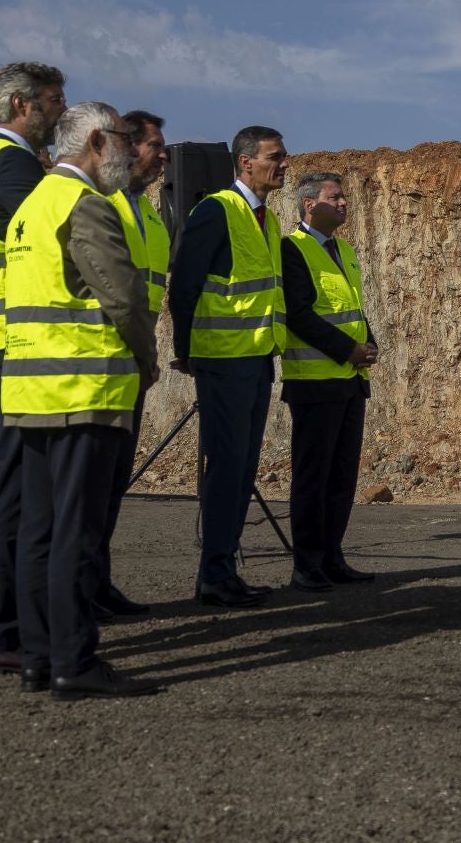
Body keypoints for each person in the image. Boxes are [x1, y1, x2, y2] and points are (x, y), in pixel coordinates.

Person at [2, 103, 160, 701]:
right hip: (84, 390)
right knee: (77, 531)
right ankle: (75, 662)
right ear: (96, 141)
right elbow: (123, 299)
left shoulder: (33, 206)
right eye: (122, 139)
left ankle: (40, 657)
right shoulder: (84, 203)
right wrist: (144, 360)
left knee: (40, 530)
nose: (127, 150)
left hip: (32, 389)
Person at [0, 61, 65, 672]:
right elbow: (45, 238)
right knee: (12, 489)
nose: (60, 111)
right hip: (13, 344)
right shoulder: (12, 164)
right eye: (54, 100)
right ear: (23, 104)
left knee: (3, 485)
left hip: (2, 341)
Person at [167, 125, 288, 608]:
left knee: (243, 469)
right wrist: (186, 350)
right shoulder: (216, 211)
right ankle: (214, 573)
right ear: (245, 163)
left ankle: (224, 568)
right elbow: (185, 286)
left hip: (257, 360)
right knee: (227, 467)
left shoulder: (267, 221)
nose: (283, 163)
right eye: (274, 156)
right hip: (223, 361)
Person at [281, 172, 380, 591]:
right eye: (334, 197)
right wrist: (348, 350)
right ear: (309, 204)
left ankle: (332, 556)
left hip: (348, 381)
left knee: (341, 478)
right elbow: (300, 315)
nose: (343, 203)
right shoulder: (292, 249)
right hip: (314, 381)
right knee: (313, 476)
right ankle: (307, 564)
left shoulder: (343, 250)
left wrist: (369, 341)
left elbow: (351, 309)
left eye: (344, 197)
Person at [97, 108, 170, 619]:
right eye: (154, 146)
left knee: (112, 484)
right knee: (90, 488)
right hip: (99, 367)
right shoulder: (101, 205)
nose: (163, 155)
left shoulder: (152, 218)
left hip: (133, 369)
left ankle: (96, 581)